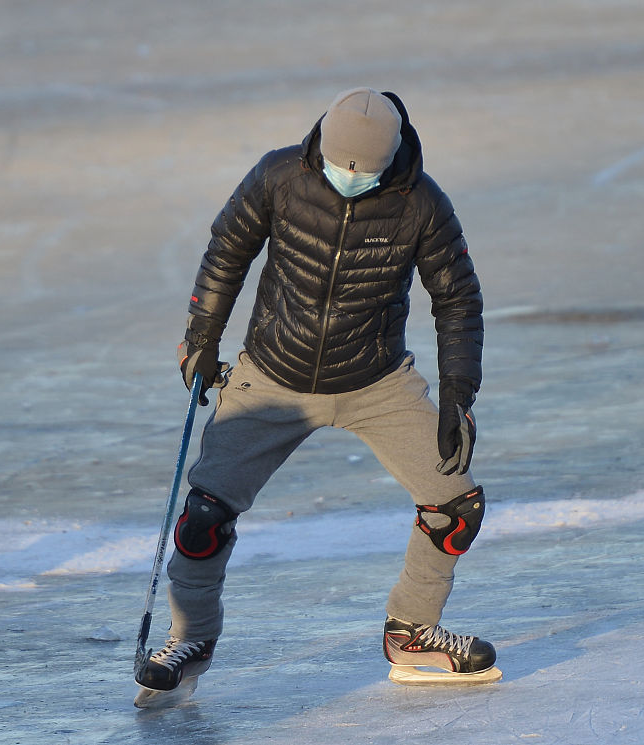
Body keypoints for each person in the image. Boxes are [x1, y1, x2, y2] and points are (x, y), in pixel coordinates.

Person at [134, 87, 497, 702]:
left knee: (454, 506)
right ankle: (189, 637)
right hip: (273, 373)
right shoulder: (279, 175)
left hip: (375, 379)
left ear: (392, 158)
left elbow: (457, 299)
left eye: (367, 171)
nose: (350, 179)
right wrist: (201, 339)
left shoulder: (421, 203)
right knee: (202, 519)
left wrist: (459, 394)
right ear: (321, 146)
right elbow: (228, 251)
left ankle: (414, 633)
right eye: (340, 165)